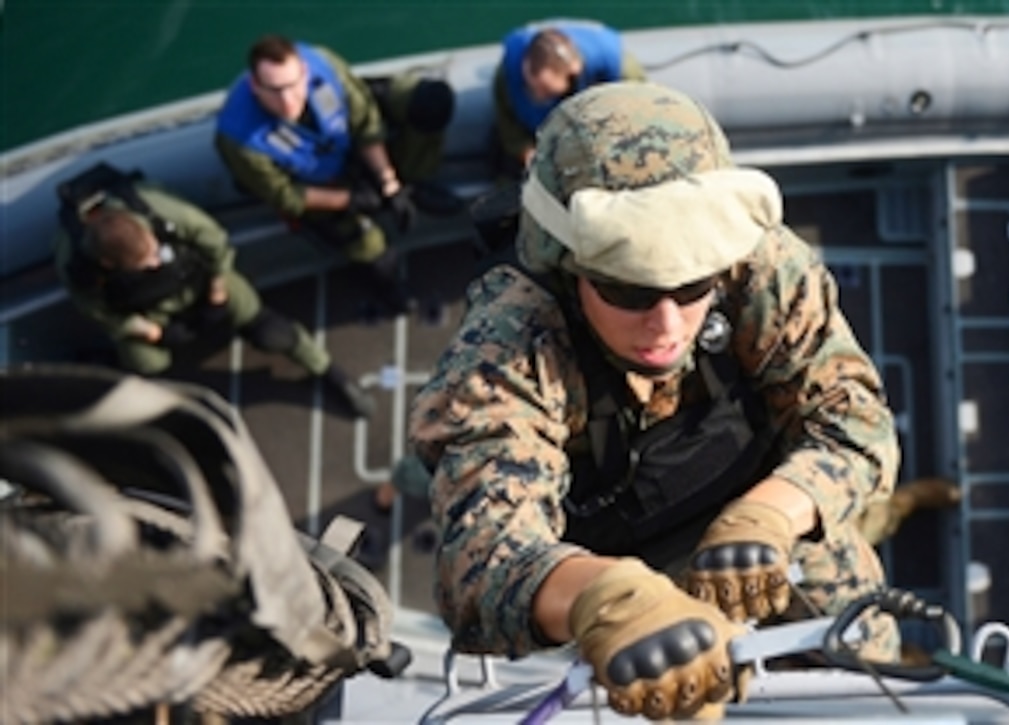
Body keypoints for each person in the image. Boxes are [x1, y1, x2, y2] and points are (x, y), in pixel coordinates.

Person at [410, 82, 902, 720]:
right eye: (628, 292)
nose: (668, 326)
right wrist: (607, 601)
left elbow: (853, 420)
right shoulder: (511, 346)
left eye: (691, 284)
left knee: (873, 659)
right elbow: (481, 562)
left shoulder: (755, 266)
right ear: (568, 264)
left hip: (770, 531)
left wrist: (769, 517)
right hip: (627, 588)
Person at [54, 163, 376, 418]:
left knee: (270, 331)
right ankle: (174, 413)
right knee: (147, 366)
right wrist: (154, 332)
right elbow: (99, 311)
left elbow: (215, 242)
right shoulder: (76, 265)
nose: (155, 260)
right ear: (109, 264)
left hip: (200, 280)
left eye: (155, 250)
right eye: (146, 261)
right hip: (148, 312)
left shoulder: (158, 209)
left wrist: (218, 290)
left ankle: (326, 370)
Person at [215, 34, 458, 316]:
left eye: (294, 86)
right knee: (377, 258)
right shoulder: (240, 139)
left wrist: (389, 184)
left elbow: (365, 122)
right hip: (316, 187)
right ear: (255, 85)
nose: (287, 100)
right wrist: (353, 200)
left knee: (430, 100)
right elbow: (286, 196)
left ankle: (414, 182)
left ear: (305, 72)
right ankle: (387, 285)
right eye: (274, 89)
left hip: (342, 147)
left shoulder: (324, 67)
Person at [491, 19, 646, 175]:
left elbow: (639, 116)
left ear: (573, 72)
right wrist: (527, 152)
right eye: (534, 88)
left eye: (546, 91)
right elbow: (509, 124)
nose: (539, 96)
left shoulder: (622, 71)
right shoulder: (507, 77)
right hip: (539, 141)